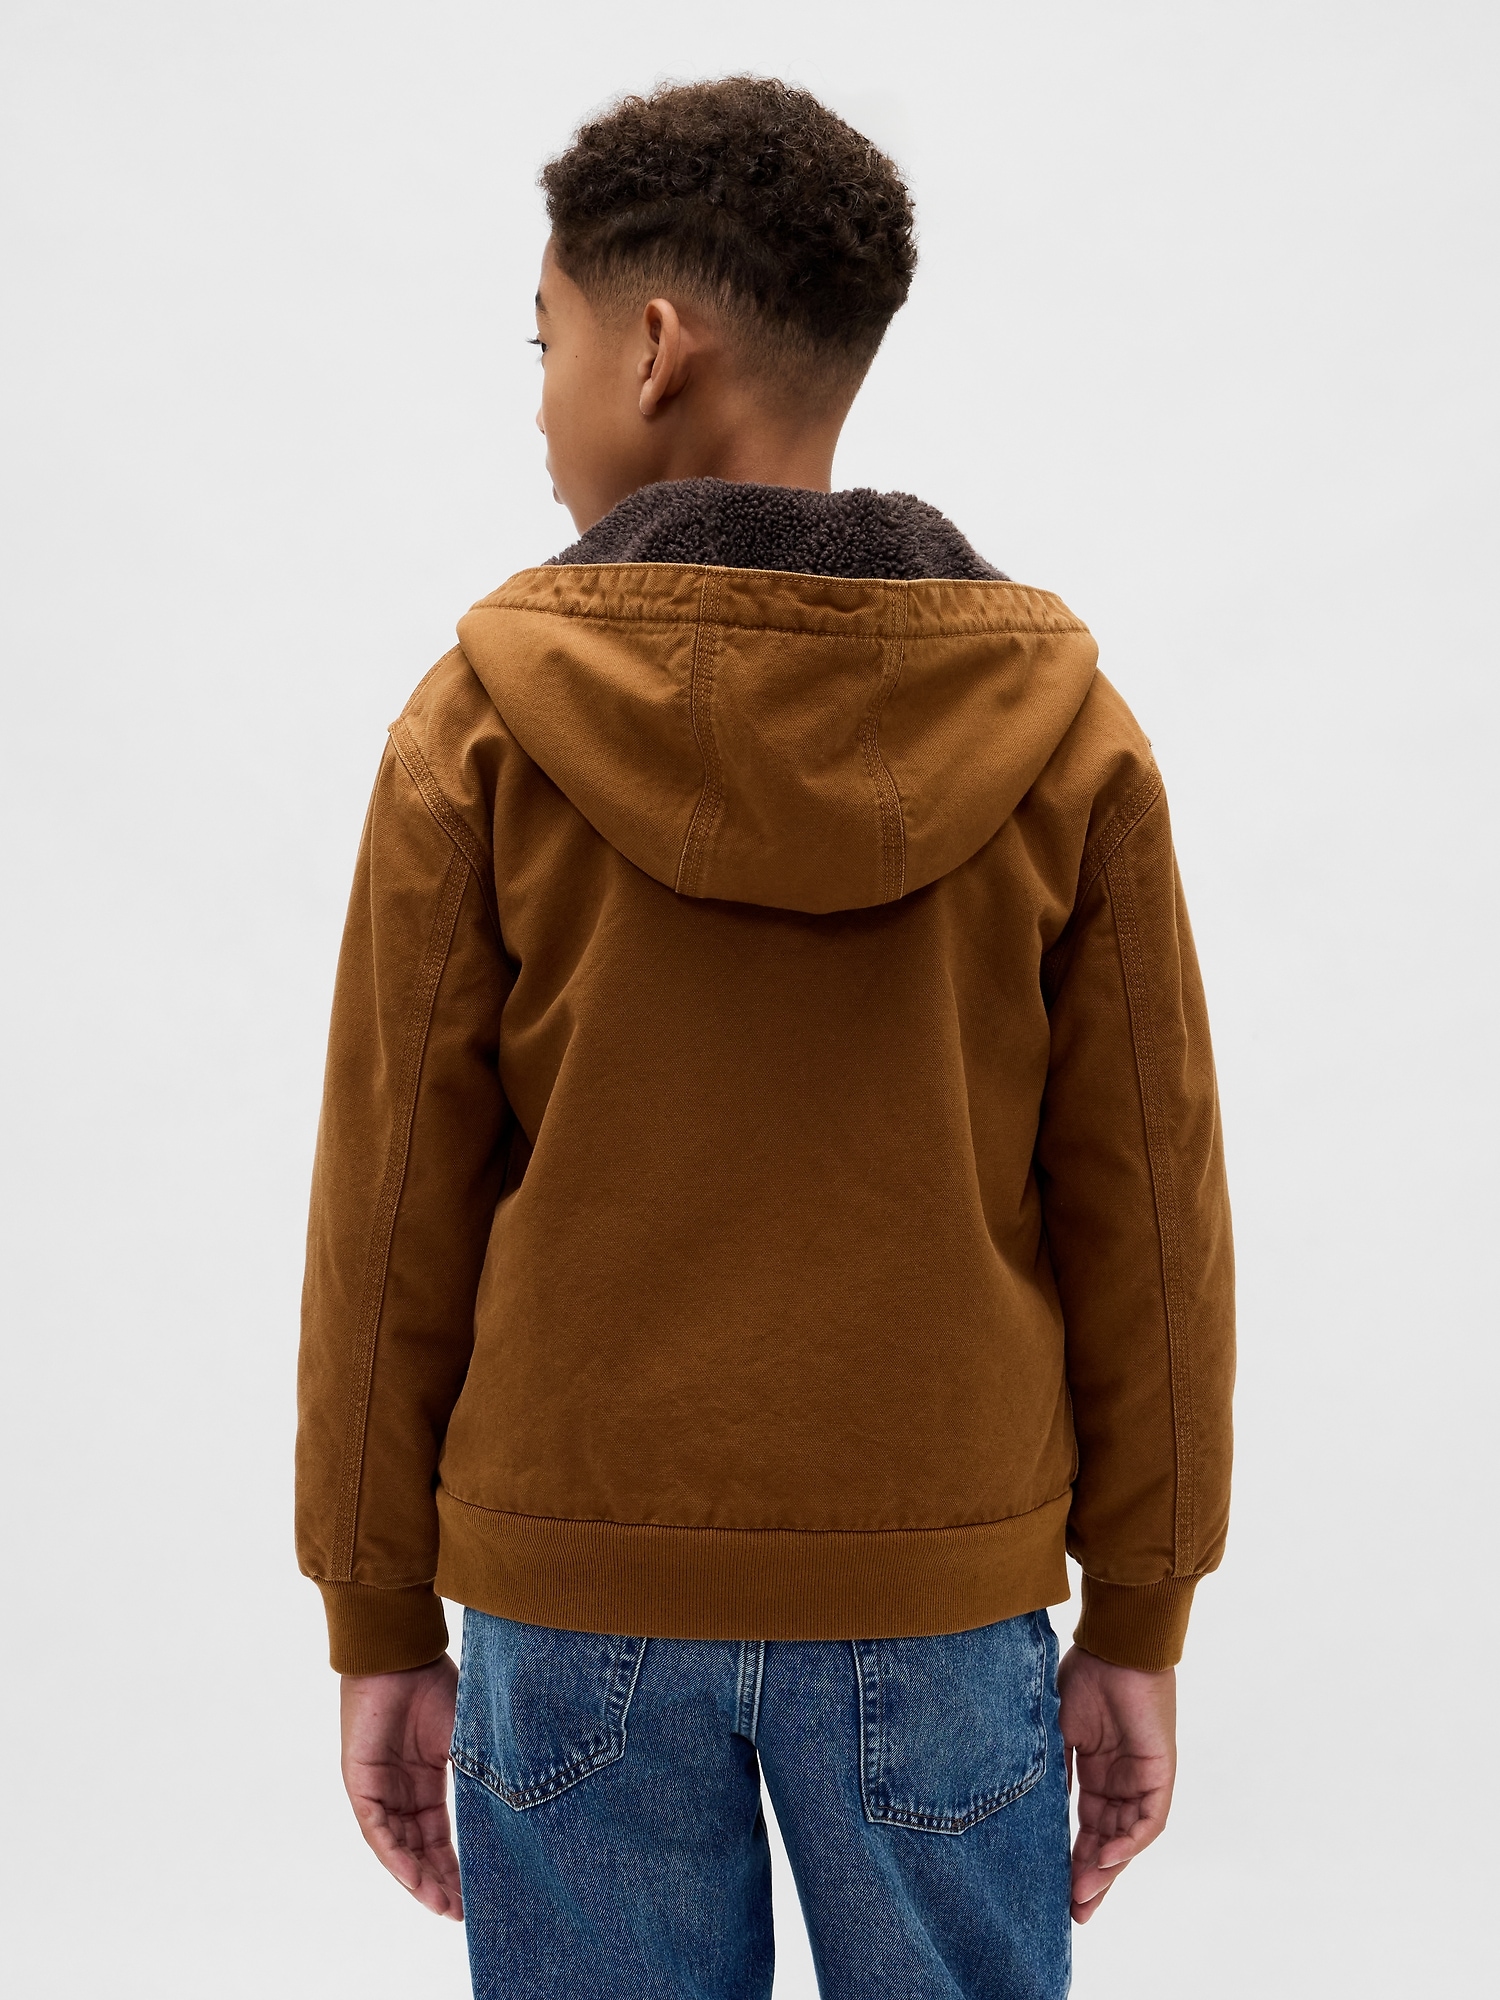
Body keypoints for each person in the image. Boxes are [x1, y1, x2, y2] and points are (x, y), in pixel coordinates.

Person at [295, 76, 1234, 2000]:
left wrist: (376, 1610)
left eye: (543, 343)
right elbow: (1152, 1209)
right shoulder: (1066, 737)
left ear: (652, 350)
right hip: (940, 1588)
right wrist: (1141, 1609)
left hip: (571, 1589)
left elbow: (387, 1215)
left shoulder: (479, 727)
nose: (535, 399)